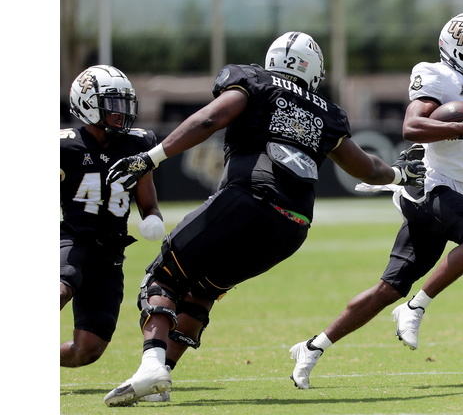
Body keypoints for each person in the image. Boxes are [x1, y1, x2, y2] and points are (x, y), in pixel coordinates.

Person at [101, 31, 426, 407]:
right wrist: (400, 175)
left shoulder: (254, 81)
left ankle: (152, 365)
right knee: (203, 290)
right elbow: (367, 167)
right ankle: (163, 377)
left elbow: (210, 119)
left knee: (163, 277)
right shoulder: (325, 111)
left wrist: (151, 157)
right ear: (315, 70)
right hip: (292, 226)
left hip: (246, 199)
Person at [289, 11, 463, 390]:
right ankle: (415, 307)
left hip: (452, 189)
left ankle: (312, 347)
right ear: (462, 53)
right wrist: (459, 127)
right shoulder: (437, 76)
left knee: (388, 288)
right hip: (427, 183)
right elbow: (411, 126)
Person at [61, 65, 166, 369]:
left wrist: (152, 218)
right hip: (73, 236)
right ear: (88, 105)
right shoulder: (64, 146)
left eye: (125, 103)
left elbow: (149, 203)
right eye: (114, 104)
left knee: (87, 350)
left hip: (111, 250)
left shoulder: (137, 144)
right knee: (62, 284)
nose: (122, 112)